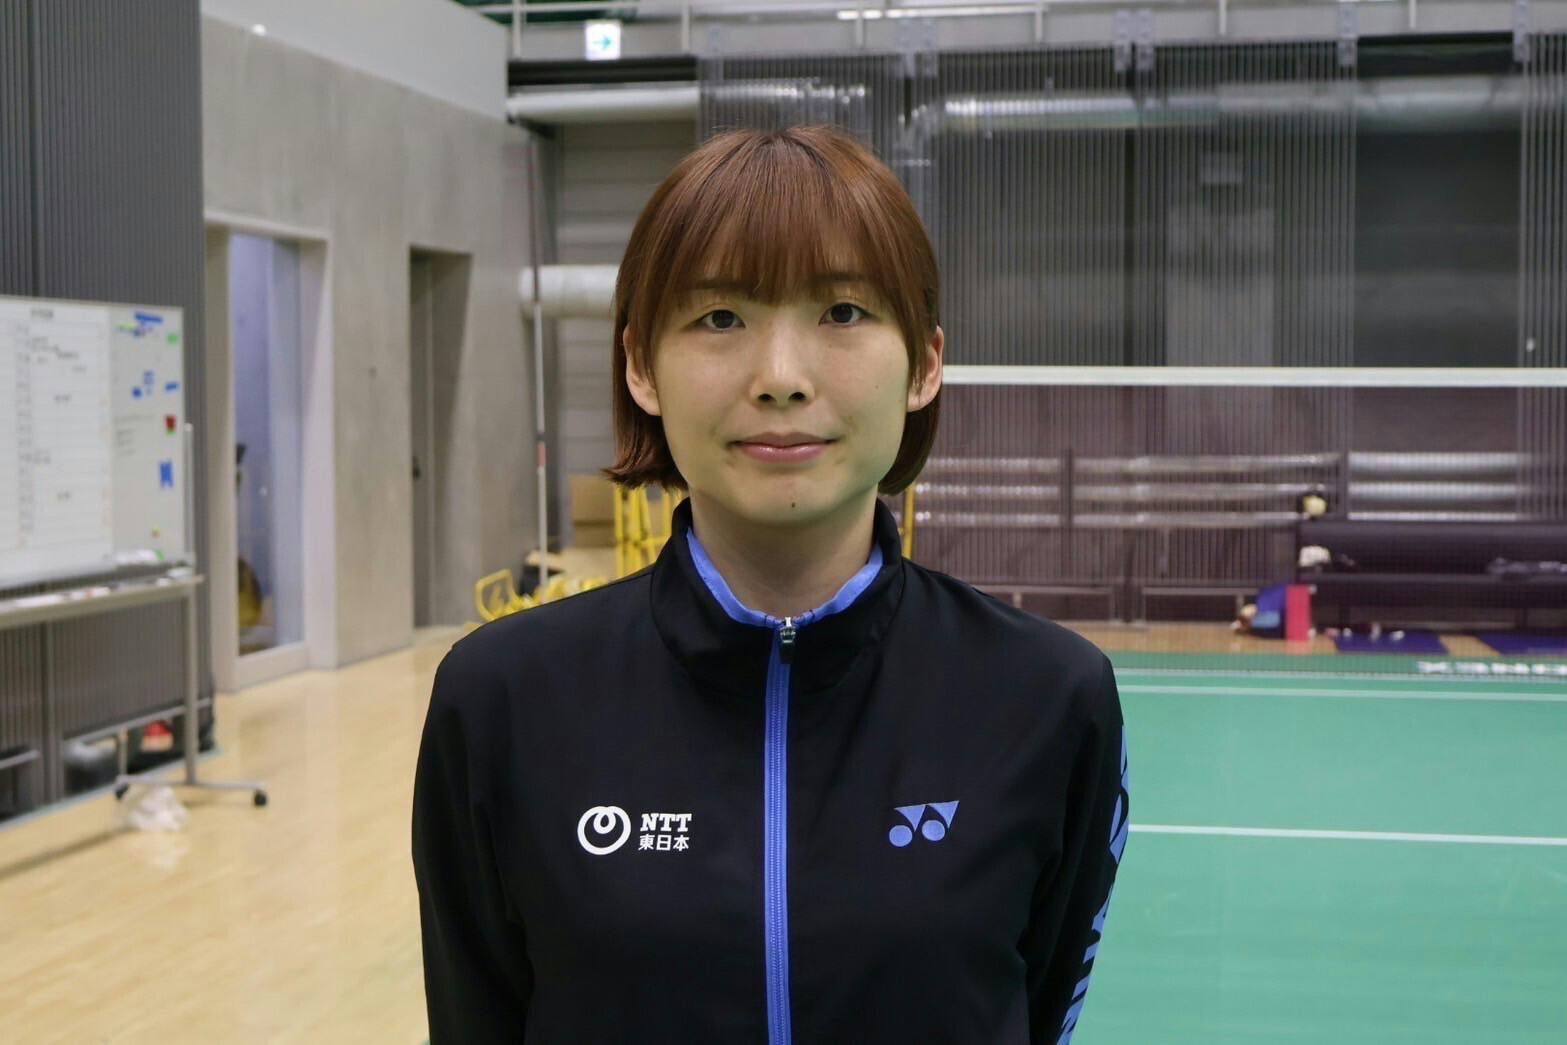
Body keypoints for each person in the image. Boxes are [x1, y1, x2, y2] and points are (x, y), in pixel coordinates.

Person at [412, 124, 1130, 1044]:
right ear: (640, 366)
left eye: (842, 312)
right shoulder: (502, 699)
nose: (781, 378)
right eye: (720, 318)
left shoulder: (1047, 696)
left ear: (924, 363)